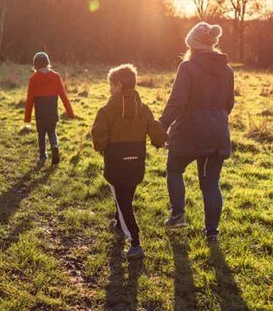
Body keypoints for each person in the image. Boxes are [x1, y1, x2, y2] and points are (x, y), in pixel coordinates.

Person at [160, 22, 235, 240]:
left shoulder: (187, 67)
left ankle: (178, 215)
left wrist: (162, 125)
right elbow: (229, 104)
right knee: (211, 183)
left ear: (192, 44)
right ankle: (212, 233)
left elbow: (177, 102)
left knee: (174, 169)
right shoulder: (227, 70)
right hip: (217, 133)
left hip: (188, 132)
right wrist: (216, 119)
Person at [91, 64, 167, 259]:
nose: (109, 89)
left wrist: (101, 145)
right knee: (126, 196)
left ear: (117, 85)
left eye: (111, 85)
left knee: (122, 200)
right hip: (137, 160)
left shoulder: (107, 110)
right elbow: (155, 129)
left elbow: (99, 135)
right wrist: (162, 141)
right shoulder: (144, 109)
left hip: (116, 161)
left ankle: (135, 242)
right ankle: (118, 222)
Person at [24, 51, 74, 165]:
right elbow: (64, 96)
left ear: (35, 65)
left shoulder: (33, 79)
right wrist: (70, 113)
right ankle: (54, 146)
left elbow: (30, 100)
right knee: (52, 132)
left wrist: (27, 118)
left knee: (41, 134)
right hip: (52, 112)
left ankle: (43, 156)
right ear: (48, 63)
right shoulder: (56, 76)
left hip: (40, 113)